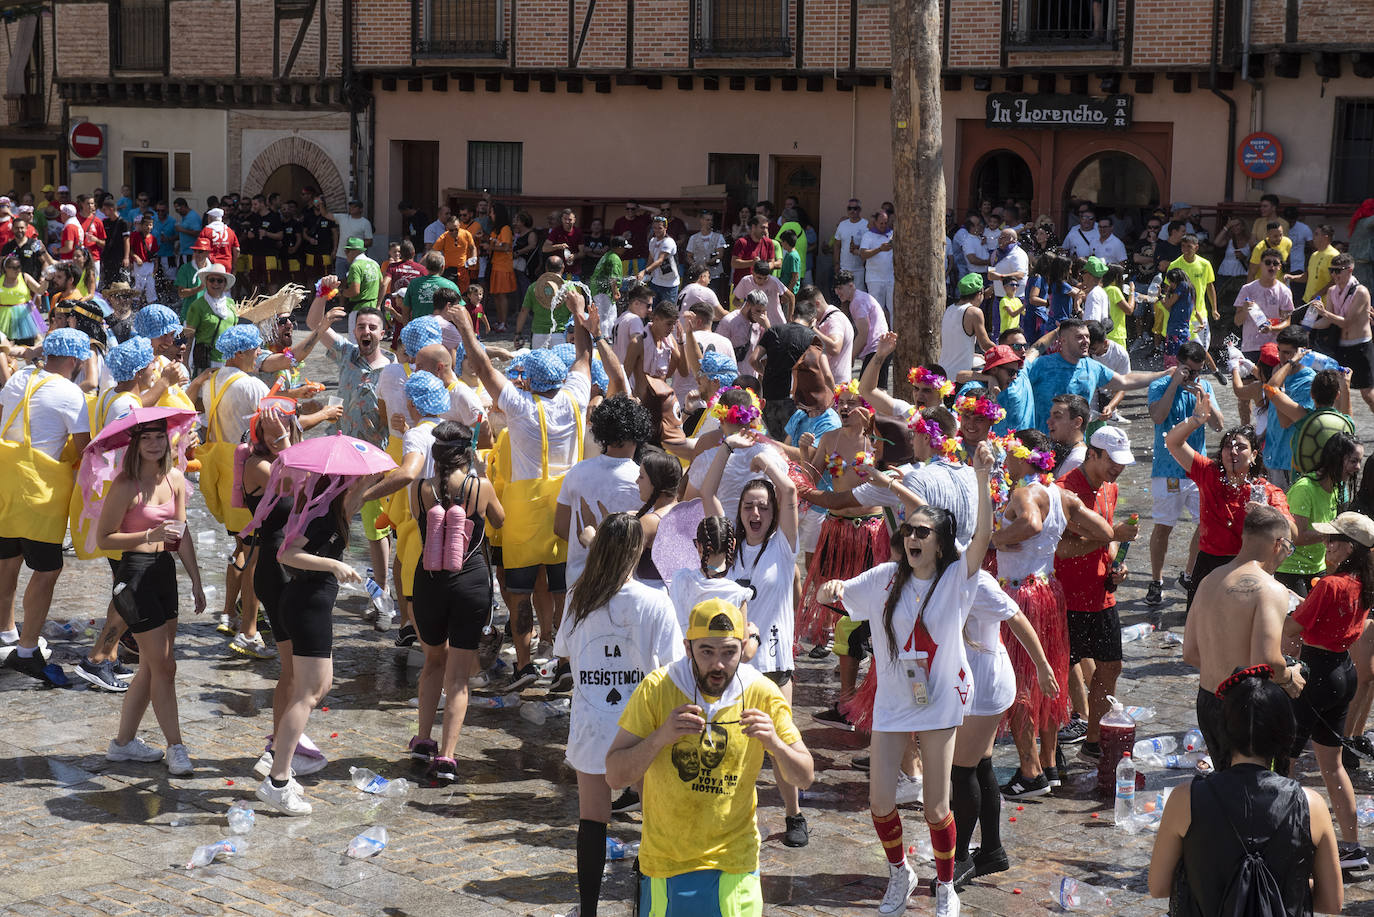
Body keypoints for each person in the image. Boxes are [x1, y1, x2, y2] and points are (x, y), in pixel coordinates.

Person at [815, 442, 996, 917]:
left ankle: (944, 885)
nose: (913, 538)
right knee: (880, 803)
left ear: (940, 543)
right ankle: (900, 872)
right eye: (909, 531)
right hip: (895, 699)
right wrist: (827, 587)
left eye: (923, 532)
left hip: (940, 700)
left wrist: (981, 478)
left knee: (937, 807)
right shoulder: (882, 579)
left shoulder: (958, 577)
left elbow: (981, 539)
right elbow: (834, 594)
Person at [604, 597, 814, 917]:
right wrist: (661, 737)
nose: (718, 665)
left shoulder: (761, 693)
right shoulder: (658, 688)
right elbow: (614, 775)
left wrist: (775, 744)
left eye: (729, 652)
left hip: (735, 861)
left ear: (743, 647)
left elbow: (805, 776)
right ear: (688, 648)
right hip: (665, 864)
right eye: (707, 652)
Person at [453, 287, 597, 689]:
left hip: (522, 516)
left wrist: (467, 328)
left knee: (518, 596)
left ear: (529, 382)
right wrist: (580, 314)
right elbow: (584, 358)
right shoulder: (574, 397)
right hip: (564, 512)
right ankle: (565, 662)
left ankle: (523, 667)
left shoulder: (519, 406)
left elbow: (483, 367)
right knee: (564, 591)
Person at [556, 512, 681, 917]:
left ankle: (588, 911)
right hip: (642, 729)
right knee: (653, 821)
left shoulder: (578, 597)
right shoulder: (655, 602)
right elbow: (673, 669)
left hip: (591, 722)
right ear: (637, 551)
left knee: (592, 820)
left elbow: (564, 653)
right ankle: (644, 908)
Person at [1148, 670, 1342, 916]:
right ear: (1285, 734)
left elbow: (1158, 886)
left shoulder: (1185, 798)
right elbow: (1332, 903)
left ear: (1224, 732)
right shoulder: (1311, 804)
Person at [700, 427, 807, 844]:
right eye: (748, 506)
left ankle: (794, 816)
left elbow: (792, 496)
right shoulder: (728, 547)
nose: (755, 514)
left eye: (763, 507)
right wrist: (728, 448)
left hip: (775, 664)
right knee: (730, 744)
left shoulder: (783, 544)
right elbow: (709, 493)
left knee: (779, 742)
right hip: (732, 664)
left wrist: (768, 462)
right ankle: (731, 816)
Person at [97, 415, 205, 776]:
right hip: (134, 576)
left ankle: (122, 744)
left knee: (152, 666)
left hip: (163, 574)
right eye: (148, 439)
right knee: (165, 666)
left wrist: (196, 580)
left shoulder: (175, 478)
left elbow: (181, 532)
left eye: (161, 437)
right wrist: (148, 534)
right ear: (136, 445)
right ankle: (176, 747)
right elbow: (104, 539)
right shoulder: (125, 485)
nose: (155, 444)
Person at [409, 420, 504, 781]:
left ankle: (422, 740)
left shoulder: (420, 490)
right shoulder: (480, 486)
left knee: (433, 662)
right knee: (459, 677)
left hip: (429, 582)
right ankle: (447, 757)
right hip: (470, 582)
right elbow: (500, 520)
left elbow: (420, 521)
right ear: (468, 453)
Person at [0, 329, 93, 685]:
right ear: (75, 360)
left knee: (6, 561)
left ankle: (6, 633)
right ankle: (26, 651)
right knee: (47, 570)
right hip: (39, 493)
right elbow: (85, 449)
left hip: (6, 484)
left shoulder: (19, 377)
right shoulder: (71, 393)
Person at [1284, 511, 1374, 868]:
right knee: (1333, 766)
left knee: (1284, 760)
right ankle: (1353, 848)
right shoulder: (1363, 583)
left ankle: (1285, 838)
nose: (1325, 543)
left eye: (1331, 539)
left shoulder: (1330, 585)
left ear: (1348, 547)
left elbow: (1293, 628)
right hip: (1343, 672)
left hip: (1315, 674)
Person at [1183, 505, 1306, 764]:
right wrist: (1288, 677)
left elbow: (1191, 653)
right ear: (1279, 544)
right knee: (1258, 790)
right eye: (1289, 549)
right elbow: (1268, 662)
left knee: (1225, 785)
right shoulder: (1270, 589)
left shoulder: (1209, 581)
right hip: (1250, 708)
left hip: (1208, 700)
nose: (1286, 556)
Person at [1054, 426, 1139, 763]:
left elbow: (1111, 539)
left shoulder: (1110, 488)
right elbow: (1059, 549)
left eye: (1122, 462)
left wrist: (1116, 561)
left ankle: (1094, 740)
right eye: (1112, 461)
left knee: (1111, 666)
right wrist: (1108, 537)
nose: (1118, 468)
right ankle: (1050, 748)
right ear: (1092, 454)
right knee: (1060, 672)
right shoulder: (1063, 492)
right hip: (1068, 597)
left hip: (1102, 593)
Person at [1145, 343, 1223, 608]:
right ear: (1178, 364)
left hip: (1197, 469)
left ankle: (1188, 574)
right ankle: (1156, 581)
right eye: (1189, 371)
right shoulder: (1159, 385)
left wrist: (1205, 399)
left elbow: (1219, 425)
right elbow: (1158, 417)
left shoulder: (1205, 387)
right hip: (1167, 470)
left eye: (1198, 372)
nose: (1193, 377)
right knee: (1164, 527)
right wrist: (1173, 384)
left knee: (1208, 522)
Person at [1023, 318, 1165, 431]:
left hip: (1077, 447)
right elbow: (1031, 354)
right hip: (1043, 446)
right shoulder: (1041, 365)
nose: (1086, 341)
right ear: (1063, 341)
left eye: (1087, 337)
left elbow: (1125, 381)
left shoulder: (1092, 367)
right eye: (1079, 337)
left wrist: (1163, 374)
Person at [1276, 434, 1363, 598]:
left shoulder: (1337, 488)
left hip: (1318, 567)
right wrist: (1335, 532)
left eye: (1359, 461)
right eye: (1353, 461)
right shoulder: (1305, 489)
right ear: (1335, 459)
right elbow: (1296, 537)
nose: (1358, 467)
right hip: (1291, 570)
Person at [1311, 253, 1374, 414]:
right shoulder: (1332, 291)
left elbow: (1347, 321)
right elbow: (1328, 322)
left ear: (1350, 270)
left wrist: (1324, 313)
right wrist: (1307, 325)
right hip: (1341, 346)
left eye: (1338, 271)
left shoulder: (1361, 292)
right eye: (1332, 270)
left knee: (1367, 394)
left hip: (1360, 345)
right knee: (1337, 391)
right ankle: (1343, 430)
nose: (1334, 275)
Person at [752, 293, 817, 438]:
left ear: (793, 316)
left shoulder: (774, 330)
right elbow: (817, 373)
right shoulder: (812, 337)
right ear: (813, 320)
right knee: (791, 445)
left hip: (769, 397)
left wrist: (766, 373)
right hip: (794, 400)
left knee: (773, 444)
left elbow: (753, 360)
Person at [181, 262, 239, 374]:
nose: (215, 283)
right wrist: (185, 363)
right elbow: (189, 337)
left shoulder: (231, 303)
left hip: (229, 361)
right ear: (206, 282)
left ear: (225, 283)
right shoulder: (197, 306)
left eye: (220, 280)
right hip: (206, 362)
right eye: (212, 280)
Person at [939, 273, 994, 378]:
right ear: (980, 293)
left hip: (942, 375)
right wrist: (1006, 352)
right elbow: (985, 345)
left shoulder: (949, 309)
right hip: (960, 377)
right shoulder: (974, 312)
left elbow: (953, 344)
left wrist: (971, 354)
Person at [857, 209, 895, 317]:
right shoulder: (868, 235)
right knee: (876, 311)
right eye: (881, 223)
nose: (883, 225)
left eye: (885, 223)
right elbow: (863, 254)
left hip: (891, 278)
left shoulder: (892, 234)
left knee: (894, 310)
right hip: (874, 279)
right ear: (875, 223)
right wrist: (880, 249)